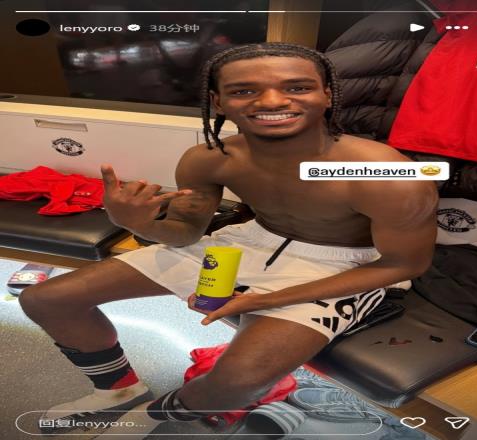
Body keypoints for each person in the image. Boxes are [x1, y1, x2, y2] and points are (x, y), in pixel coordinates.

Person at [19, 42, 438, 438]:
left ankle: (153, 414)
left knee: (237, 382)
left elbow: (404, 265)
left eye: (296, 87)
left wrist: (265, 299)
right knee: (46, 299)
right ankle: (119, 391)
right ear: (218, 102)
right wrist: (134, 222)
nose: (272, 101)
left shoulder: (383, 172)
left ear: (327, 94)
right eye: (244, 90)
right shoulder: (209, 158)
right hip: (250, 240)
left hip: (345, 263)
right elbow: (185, 233)